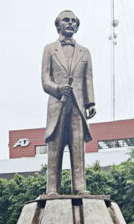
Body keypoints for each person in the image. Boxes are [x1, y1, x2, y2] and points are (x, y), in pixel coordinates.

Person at [42, 10, 96, 195]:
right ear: (58, 25)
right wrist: (57, 89)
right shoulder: (49, 49)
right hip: (57, 104)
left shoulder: (85, 52)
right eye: (66, 20)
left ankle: (79, 186)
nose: (70, 23)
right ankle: (52, 187)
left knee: (78, 146)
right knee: (54, 146)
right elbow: (45, 80)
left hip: (77, 107)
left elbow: (88, 78)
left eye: (74, 21)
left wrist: (90, 102)